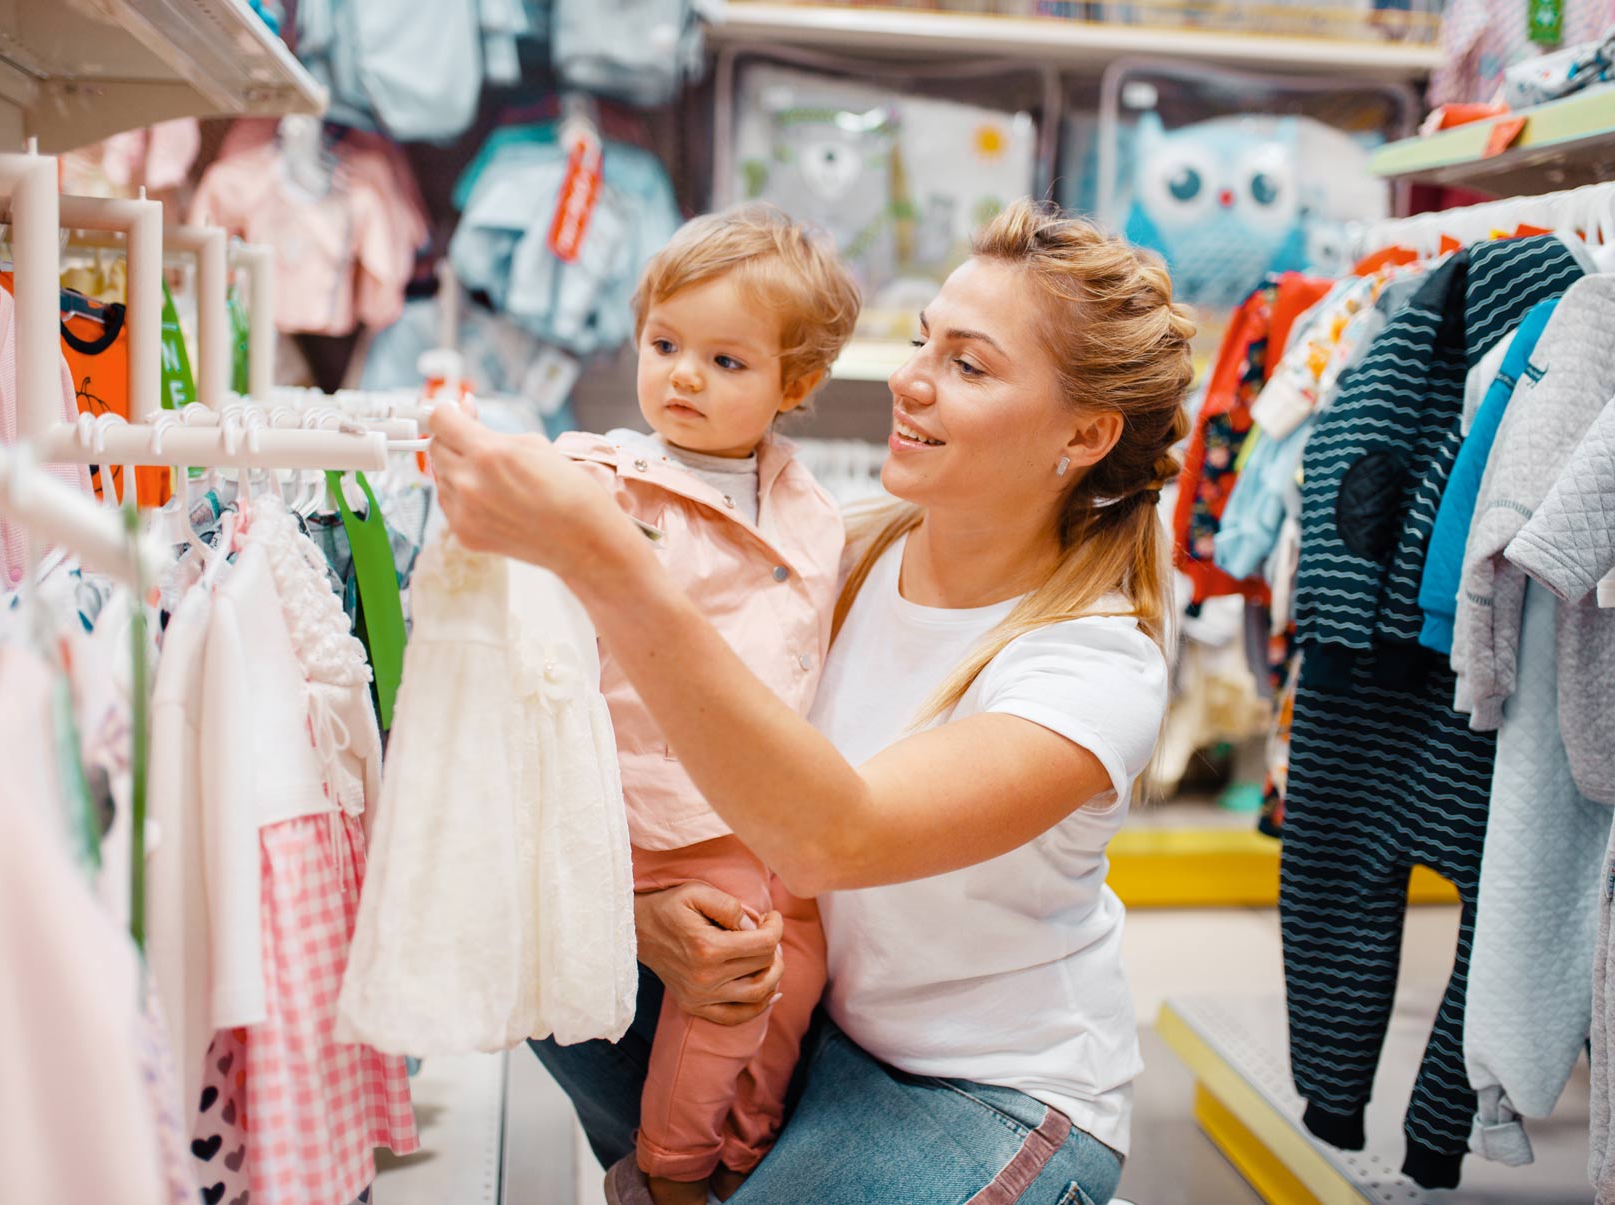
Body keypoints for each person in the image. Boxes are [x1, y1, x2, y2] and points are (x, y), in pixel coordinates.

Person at [429, 198, 1192, 1204]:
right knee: (535, 949)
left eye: (967, 364)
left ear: (1083, 432)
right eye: (922, 341)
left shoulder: (1090, 664)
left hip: (979, 1089)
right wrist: (645, 912)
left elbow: (834, 836)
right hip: (807, 1021)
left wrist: (609, 560)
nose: (908, 380)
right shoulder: (836, 544)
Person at [550, 204, 861, 1205]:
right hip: (664, 802)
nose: (682, 374)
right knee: (731, 987)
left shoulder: (808, 507)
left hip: (775, 810)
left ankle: (747, 1147)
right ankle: (671, 1171)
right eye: (665, 343)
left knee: (797, 981)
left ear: (794, 385)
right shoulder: (604, 483)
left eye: (726, 361)